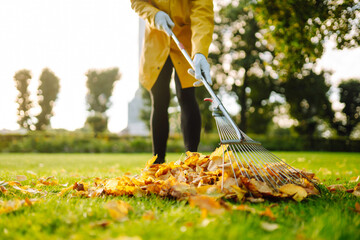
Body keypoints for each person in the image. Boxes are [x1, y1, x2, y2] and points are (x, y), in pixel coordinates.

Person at [131, 0, 214, 164]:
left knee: (187, 96)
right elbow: (137, 2)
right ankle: (158, 160)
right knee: (159, 99)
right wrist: (154, 15)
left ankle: (192, 160)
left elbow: (202, 13)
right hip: (157, 38)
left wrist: (200, 52)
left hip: (186, 40)